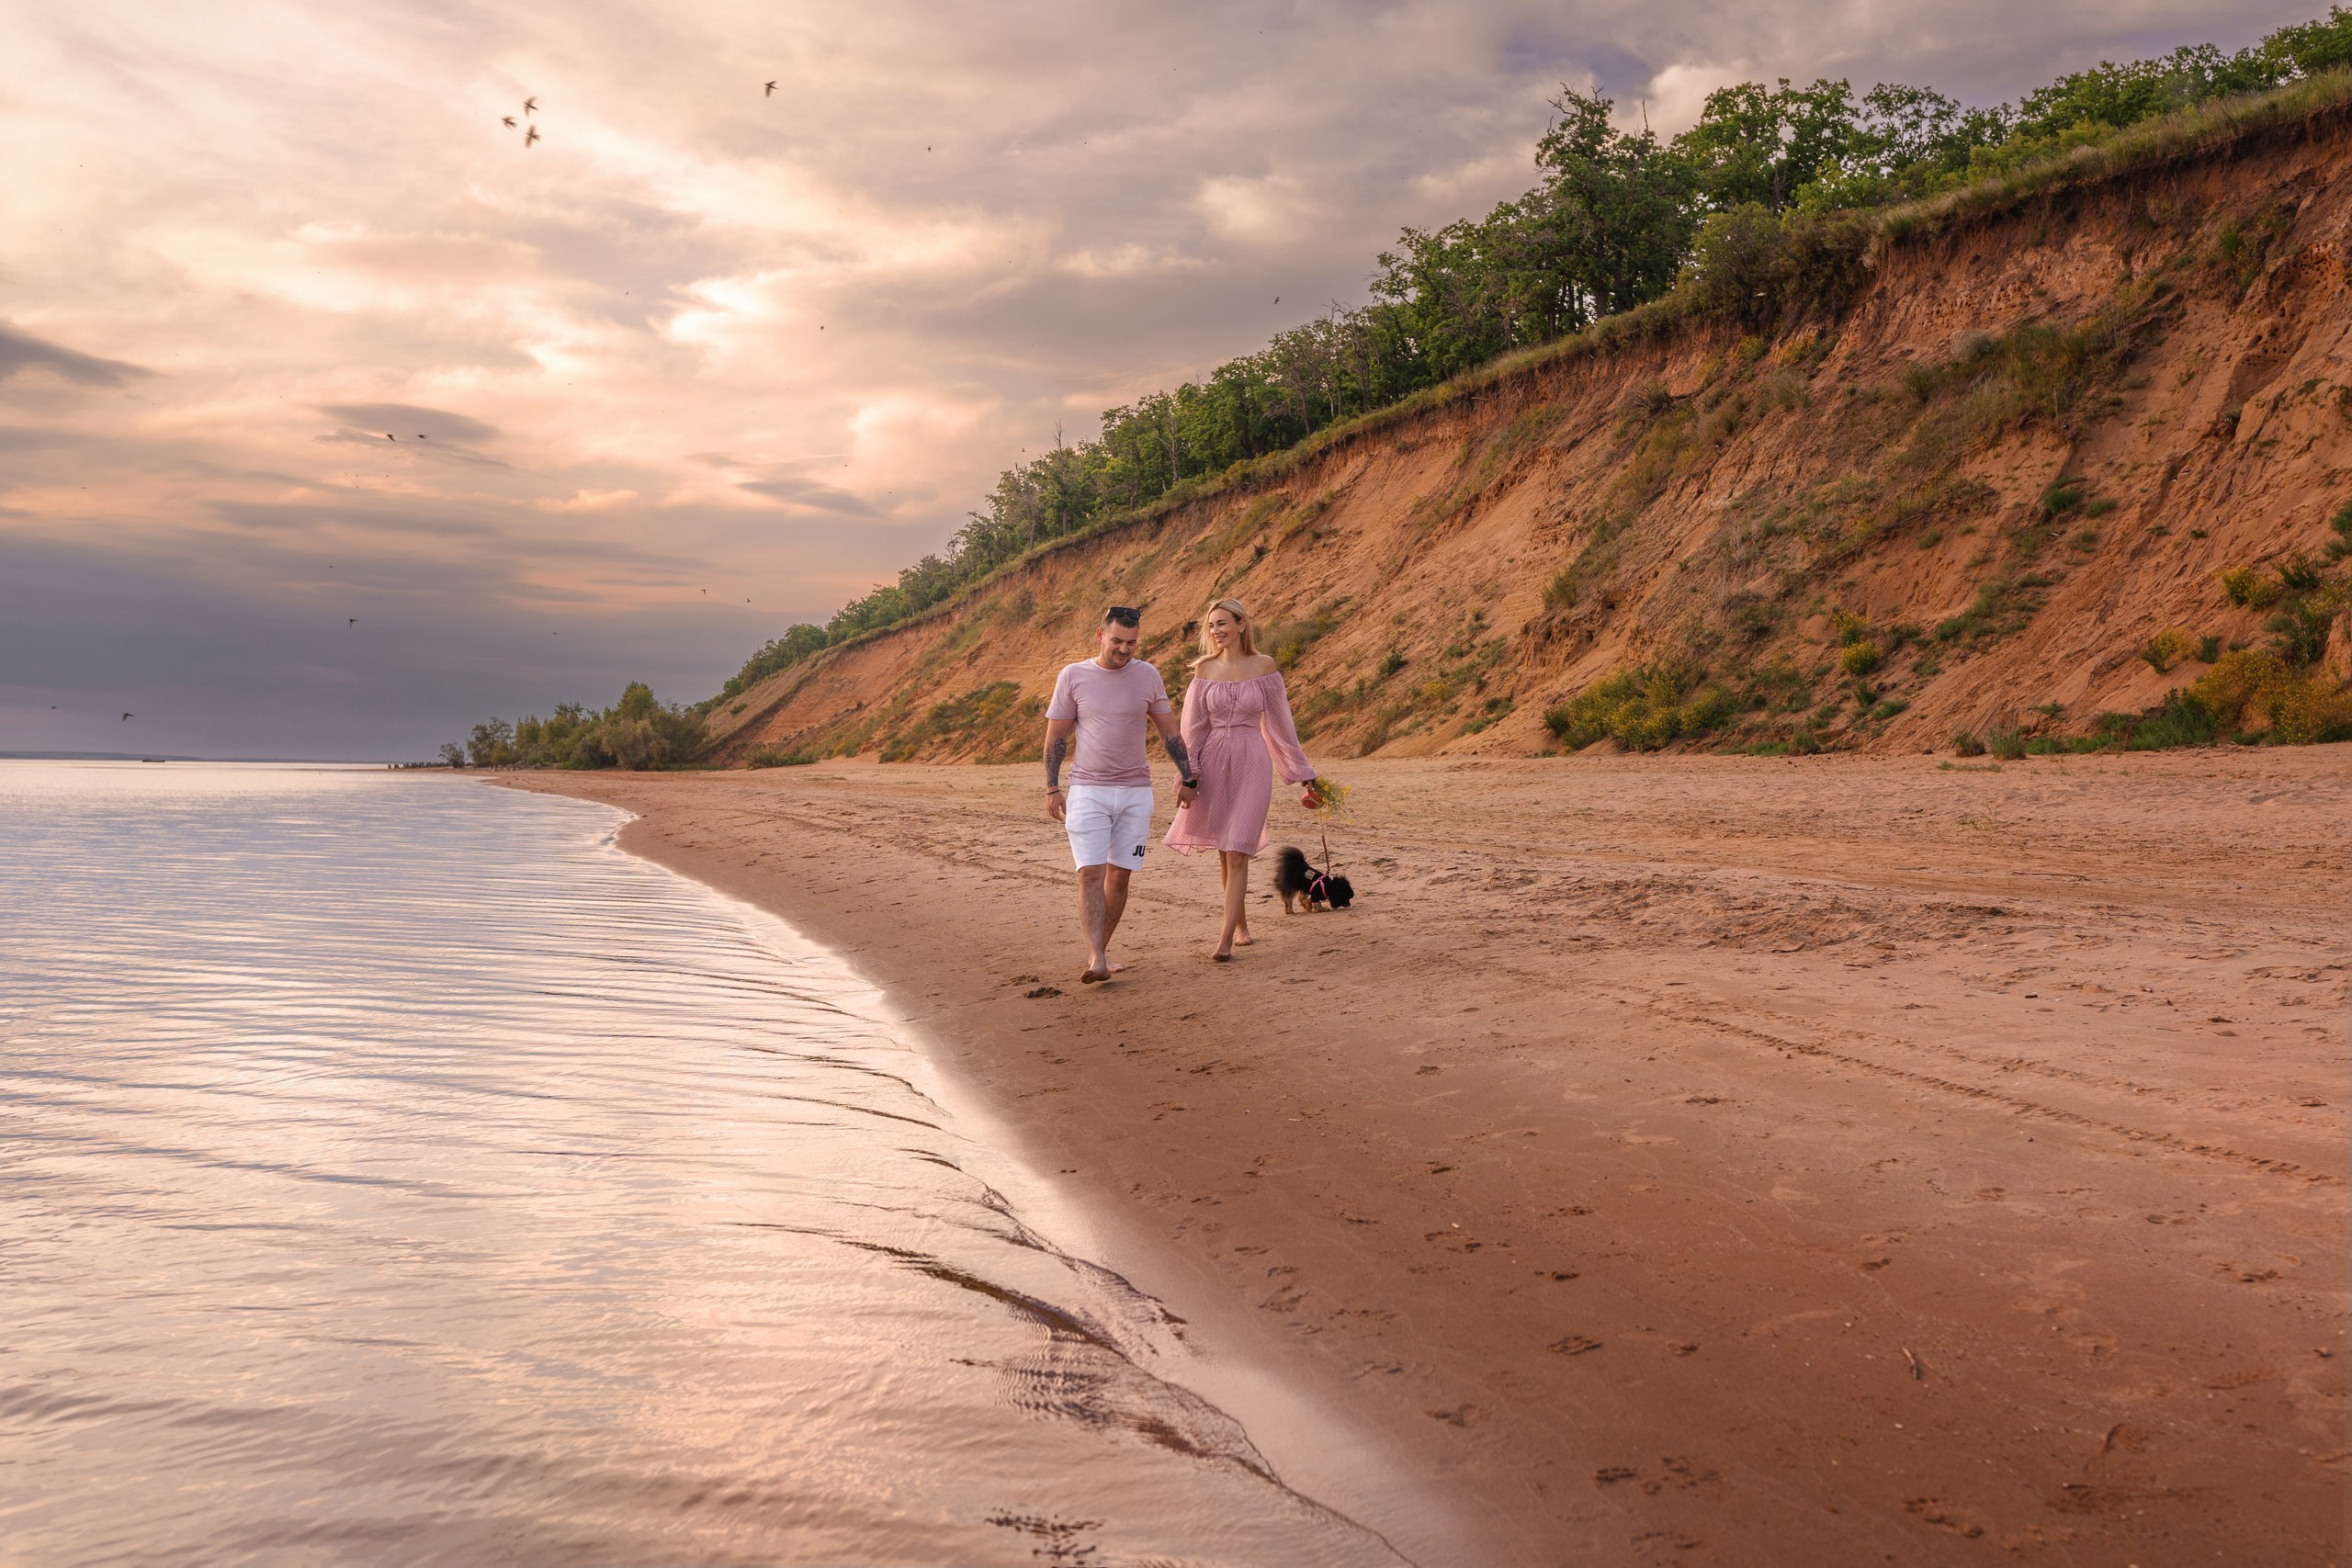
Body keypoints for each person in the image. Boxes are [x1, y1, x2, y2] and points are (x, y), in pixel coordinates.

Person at [1044, 605, 1197, 984]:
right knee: (1090, 874)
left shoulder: (1148, 675)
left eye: (1132, 643)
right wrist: (1052, 787)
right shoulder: (1073, 676)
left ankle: (1100, 951)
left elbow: (1169, 732)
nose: (1124, 649)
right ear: (1100, 636)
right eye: (1117, 641)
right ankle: (1097, 957)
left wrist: (1189, 778)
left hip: (1136, 794)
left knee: (1121, 877)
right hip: (1087, 791)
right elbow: (1057, 737)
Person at [1163, 597, 1318, 961]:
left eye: (1222, 623)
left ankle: (1224, 941)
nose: (1216, 631)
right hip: (1214, 761)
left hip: (1252, 760)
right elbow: (1192, 731)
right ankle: (1240, 925)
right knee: (1225, 850)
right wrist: (1189, 775)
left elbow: (1280, 725)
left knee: (1237, 852)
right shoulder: (1204, 670)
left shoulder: (1264, 666)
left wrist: (1302, 772)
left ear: (1241, 624)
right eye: (1211, 625)